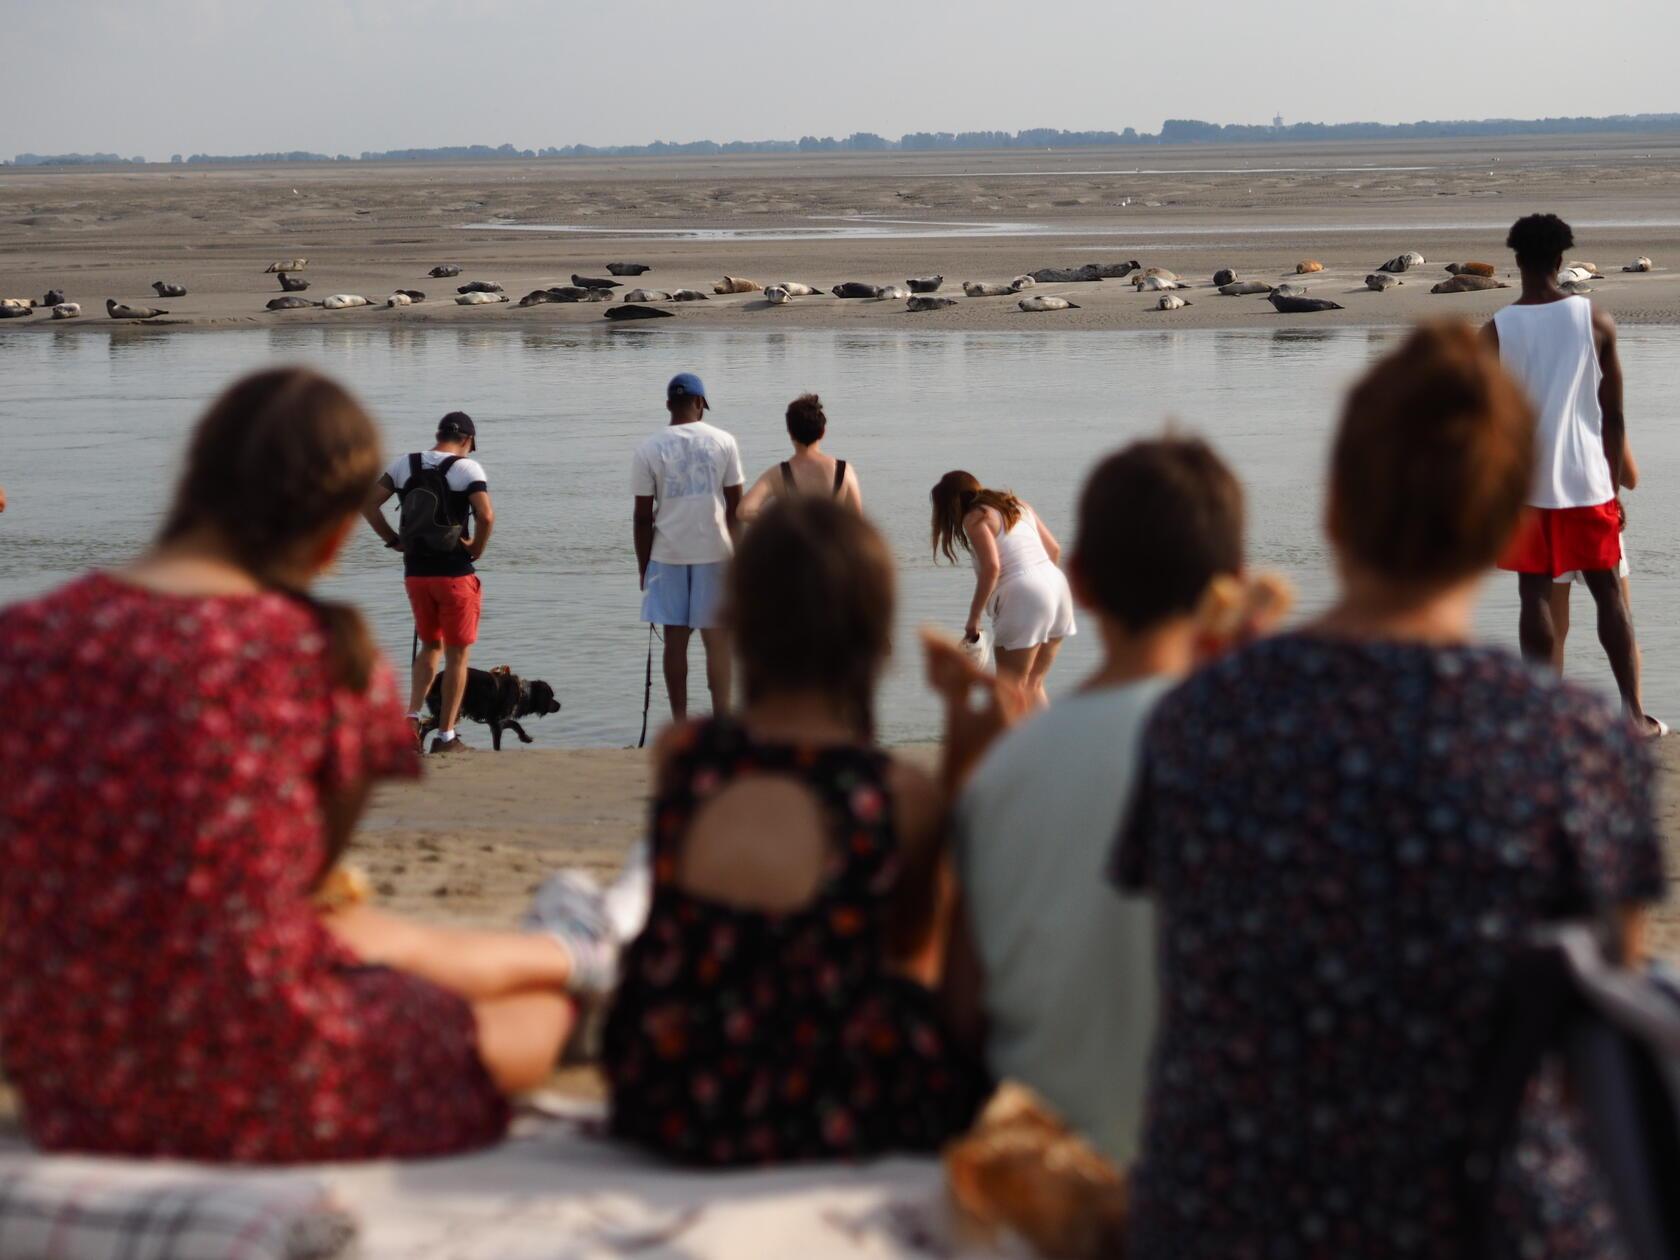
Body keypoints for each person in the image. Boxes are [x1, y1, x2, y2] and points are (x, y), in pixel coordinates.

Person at [1115, 323, 1662, 1259]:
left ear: (1333, 511)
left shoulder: (1200, 720)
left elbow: (1161, 957)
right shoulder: (1579, 747)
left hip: (1229, 1202)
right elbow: (1610, 998)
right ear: (1501, 524)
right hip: (1485, 1213)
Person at [0, 369, 610, 1163]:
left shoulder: (26, 640)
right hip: (251, 1065)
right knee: (520, 1026)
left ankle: (563, 948)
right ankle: (571, 961)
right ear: (327, 534)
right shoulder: (326, 652)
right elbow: (311, 891)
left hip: (68, 1063)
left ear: (192, 479)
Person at [604, 497, 987, 1166]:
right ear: (875, 639)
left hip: (677, 1087)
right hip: (834, 1096)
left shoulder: (685, 756)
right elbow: (911, 953)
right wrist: (965, 763)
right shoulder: (898, 796)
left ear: (740, 621)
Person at [930, 438, 1247, 1169]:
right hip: (1061, 594)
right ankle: (1057, 744)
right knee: (1035, 690)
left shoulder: (977, 513)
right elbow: (1053, 548)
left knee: (1011, 696)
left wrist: (976, 623)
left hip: (1060, 1139)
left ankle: (1047, 759)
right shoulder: (1018, 502)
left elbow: (987, 568)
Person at [1484, 212, 1656, 734]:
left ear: (1517, 262)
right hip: (1586, 480)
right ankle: (1631, 715)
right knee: (1608, 595)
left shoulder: (1495, 329)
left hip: (1526, 487)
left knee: (1532, 596)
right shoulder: (1594, 319)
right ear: (1562, 261)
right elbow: (1614, 415)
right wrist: (1610, 482)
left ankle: (1541, 717)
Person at [361, 410, 494, 753]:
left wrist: (392, 540)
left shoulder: (406, 463)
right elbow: (486, 514)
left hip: (416, 572)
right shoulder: (467, 469)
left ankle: (410, 720)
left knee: (430, 646)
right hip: (454, 573)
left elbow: (368, 505)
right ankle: (445, 737)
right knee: (457, 657)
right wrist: (477, 548)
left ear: (439, 434)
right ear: (467, 440)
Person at [632, 373, 744, 721]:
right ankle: (722, 721)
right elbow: (735, 508)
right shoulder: (724, 441)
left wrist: (643, 566)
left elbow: (641, 517)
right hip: (716, 553)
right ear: (700, 403)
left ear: (668, 404)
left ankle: (680, 723)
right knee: (716, 643)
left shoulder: (648, 448)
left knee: (675, 643)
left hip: (668, 555)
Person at [930, 470, 1075, 706]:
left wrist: (973, 619)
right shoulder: (1017, 505)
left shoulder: (975, 518)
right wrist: (1045, 591)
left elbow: (992, 567)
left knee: (1009, 688)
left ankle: (1013, 742)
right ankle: (1050, 742)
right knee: (1032, 684)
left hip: (1024, 594)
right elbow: (1055, 550)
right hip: (1058, 588)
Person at [738, 392, 863, 522]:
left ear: (790, 433)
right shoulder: (844, 470)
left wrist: (782, 524)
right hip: (834, 541)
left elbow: (744, 510)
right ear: (822, 432)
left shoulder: (778, 474)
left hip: (794, 541)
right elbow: (858, 522)